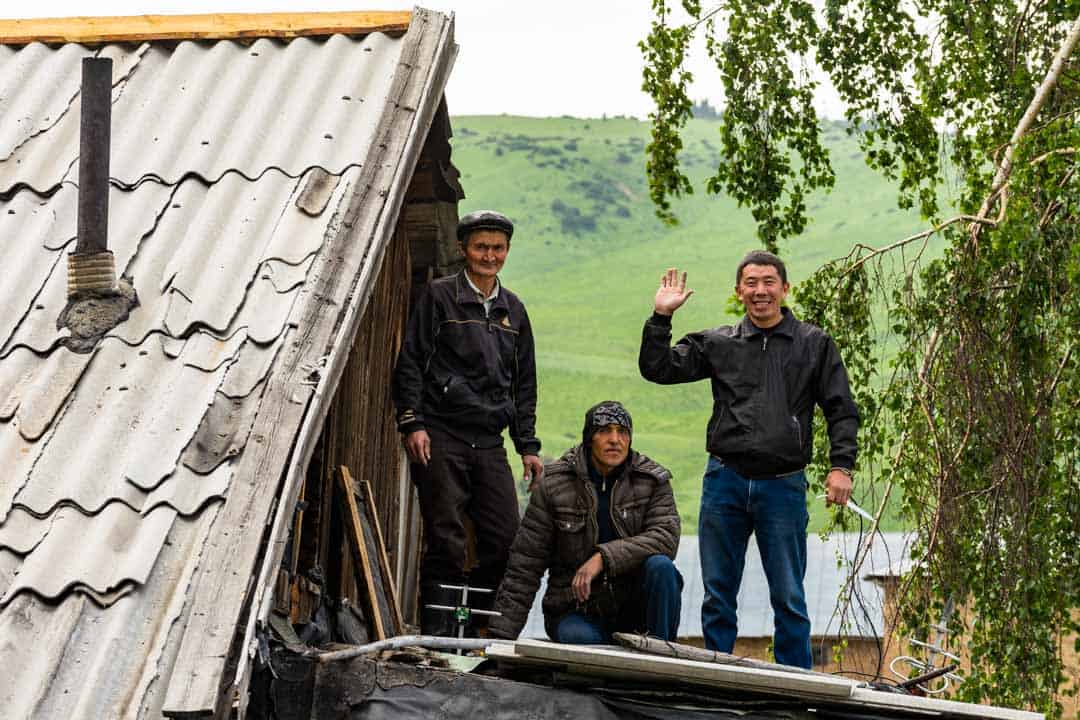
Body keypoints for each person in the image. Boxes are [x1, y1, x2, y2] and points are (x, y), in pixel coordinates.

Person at [638, 250, 859, 668]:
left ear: (785, 288)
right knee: (718, 593)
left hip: (783, 484)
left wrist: (840, 466)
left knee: (789, 594)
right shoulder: (720, 343)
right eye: (751, 283)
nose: (760, 291)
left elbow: (842, 409)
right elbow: (658, 368)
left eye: (768, 282)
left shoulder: (813, 344)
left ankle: (795, 683)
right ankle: (719, 677)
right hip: (726, 480)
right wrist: (661, 317)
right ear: (738, 292)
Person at [391, 210, 543, 636]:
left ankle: (476, 633)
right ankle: (438, 636)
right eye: (481, 247)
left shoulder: (514, 310)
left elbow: (524, 383)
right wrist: (412, 422)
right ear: (463, 249)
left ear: (507, 250)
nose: (489, 256)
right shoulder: (440, 297)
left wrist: (528, 445)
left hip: (490, 440)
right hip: (442, 433)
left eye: (498, 248)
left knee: (505, 538)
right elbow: (411, 362)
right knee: (447, 537)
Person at [489, 401, 682, 644]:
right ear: (589, 438)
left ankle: (662, 657)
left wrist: (603, 558)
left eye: (622, 432)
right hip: (576, 609)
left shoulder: (652, 480)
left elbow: (666, 538)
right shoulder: (554, 485)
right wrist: (500, 639)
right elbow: (525, 565)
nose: (615, 440)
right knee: (581, 642)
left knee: (662, 568)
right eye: (604, 431)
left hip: (635, 609)